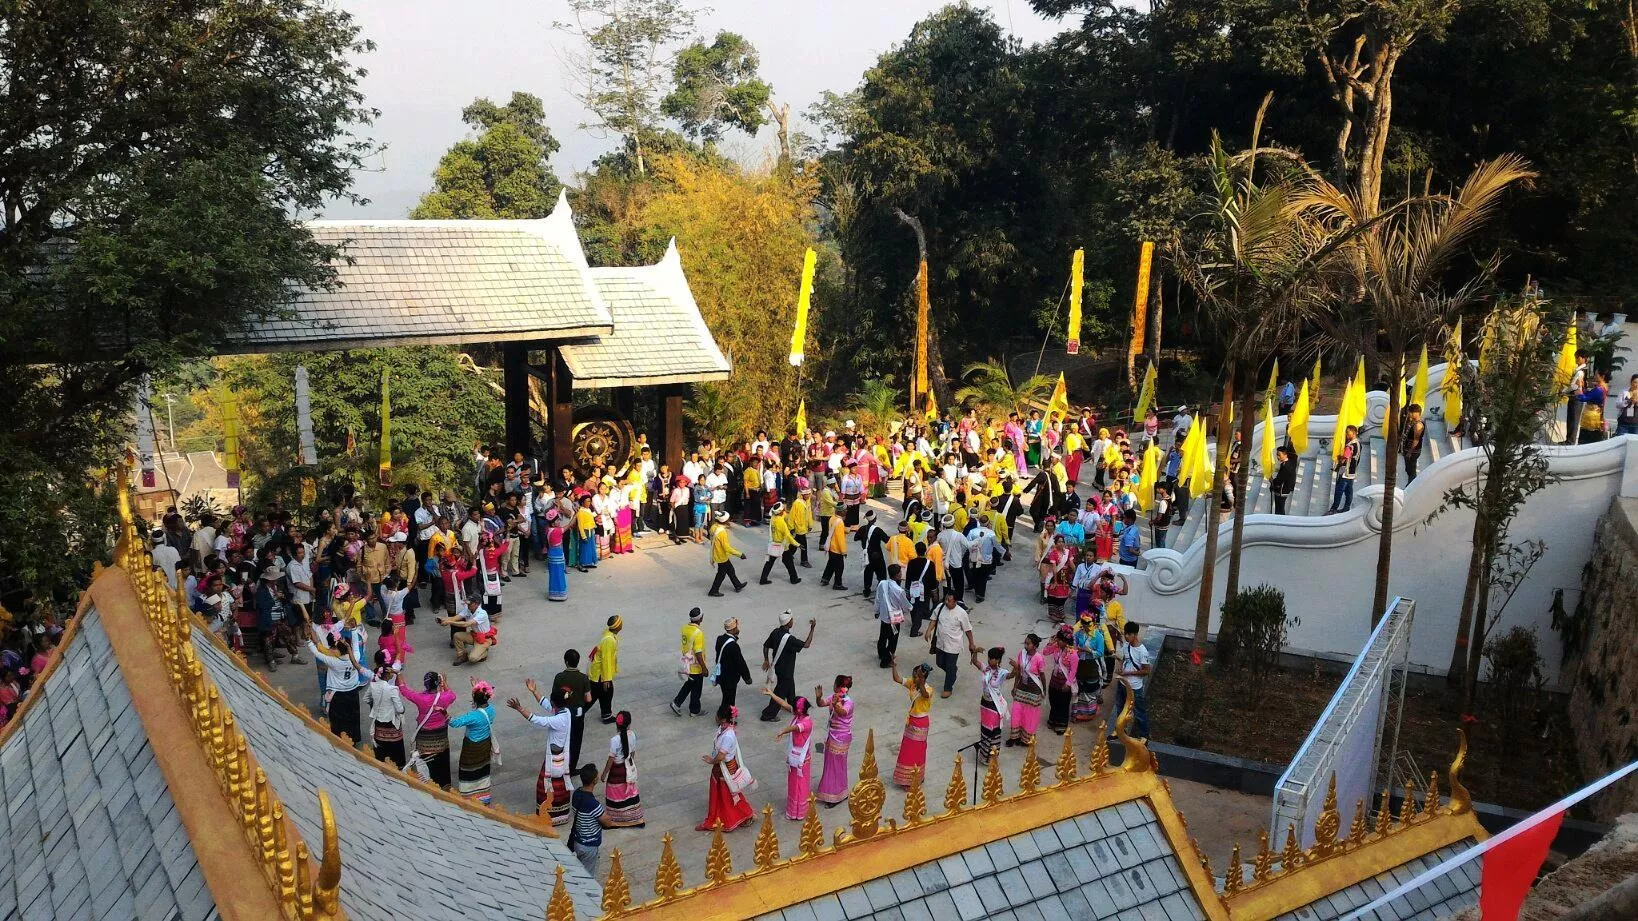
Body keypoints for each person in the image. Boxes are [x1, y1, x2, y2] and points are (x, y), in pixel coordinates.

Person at [509, 680, 573, 826]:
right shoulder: (566, 712)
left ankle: (549, 815)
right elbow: (547, 705)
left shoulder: (558, 719)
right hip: (561, 757)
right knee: (559, 786)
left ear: (554, 703)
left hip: (554, 760)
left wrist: (519, 708)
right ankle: (561, 814)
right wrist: (534, 691)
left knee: (545, 786)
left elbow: (535, 719)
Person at [697, 704, 757, 832]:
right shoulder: (723, 729)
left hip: (724, 769)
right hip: (723, 768)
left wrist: (711, 761)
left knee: (727, 795)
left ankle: (742, 815)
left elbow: (721, 756)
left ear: (722, 719)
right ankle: (744, 815)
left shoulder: (728, 735)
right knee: (728, 794)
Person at [305, 619, 363, 743]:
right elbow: (356, 645)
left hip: (338, 694)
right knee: (352, 716)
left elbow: (316, 652)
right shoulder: (356, 657)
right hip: (353, 692)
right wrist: (354, 629)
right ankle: (354, 738)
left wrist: (308, 640)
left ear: (337, 649)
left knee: (338, 719)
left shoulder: (333, 661)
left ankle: (339, 740)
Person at [761, 689, 814, 821]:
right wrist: (772, 694)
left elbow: (795, 728)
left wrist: (782, 731)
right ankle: (793, 811)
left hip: (801, 759)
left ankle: (799, 812)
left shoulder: (806, 723)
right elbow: (784, 704)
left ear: (799, 710)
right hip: (794, 756)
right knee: (793, 784)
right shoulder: (798, 716)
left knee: (800, 785)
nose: (792, 709)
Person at [399, 670, 456, 788]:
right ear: (437, 683)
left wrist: (398, 673)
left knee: (426, 760)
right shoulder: (444, 697)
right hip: (441, 735)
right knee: (442, 759)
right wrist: (444, 683)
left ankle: (427, 782)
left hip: (424, 735)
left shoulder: (420, 698)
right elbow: (452, 695)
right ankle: (444, 785)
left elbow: (404, 690)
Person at [448, 680, 498, 804]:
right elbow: (480, 701)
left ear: (475, 699)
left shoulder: (473, 716)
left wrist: (445, 714)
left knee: (468, 769)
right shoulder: (491, 710)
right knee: (483, 768)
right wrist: (476, 688)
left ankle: (469, 796)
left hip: (472, 748)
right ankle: (483, 795)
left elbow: (454, 723)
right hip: (485, 744)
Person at [760, 612, 815, 721]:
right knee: (780, 692)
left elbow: (766, 645)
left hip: (779, 667)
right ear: (788, 623)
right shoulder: (790, 639)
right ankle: (768, 714)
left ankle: (792, 703)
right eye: (791, 620)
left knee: (790, 685)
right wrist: (812, 628)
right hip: (786, 670)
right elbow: (806, 644)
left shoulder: (775, 632)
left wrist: (766, 659)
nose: (793, 621)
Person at [889, 659, 934, 788]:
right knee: (907, 749)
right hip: (911, 721)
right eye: (914, 676)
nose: (914, 678)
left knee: (917, 751)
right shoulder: (912, 684)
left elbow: (924, 695)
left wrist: (921, 681)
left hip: (921, 723)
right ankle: (907, 778)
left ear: (923, 677)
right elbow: (897, 678)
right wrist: (894, 666)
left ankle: (915, 778)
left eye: (917, 676)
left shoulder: (928, 689)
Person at [927, 590, 978, 699]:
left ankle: (948, 688)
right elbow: (934, 620)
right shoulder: (940, 607)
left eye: (949, 600)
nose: (946, 602)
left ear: (955, 601)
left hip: (953, 646)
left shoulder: (962, 613)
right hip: (940, 643)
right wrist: (928, 631)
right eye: (946, 599)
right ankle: (952, 672)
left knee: (950, 667)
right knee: (939, 663)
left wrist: (971, 643)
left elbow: (968, 630)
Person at [813, 675, 854, 807]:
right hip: (832, 734)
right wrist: (818, 697)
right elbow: (821, 704)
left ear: (838, 686)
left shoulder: (848, 702)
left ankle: (836, 796)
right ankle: (835, 791)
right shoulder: (834, 697)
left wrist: (836, 703)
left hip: (841, 737)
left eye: (835, 683)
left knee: (836, 765)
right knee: (830, 764)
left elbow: (842, 712)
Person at [552, 650, 594, 773]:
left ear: (566, 662)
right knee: (576, 741)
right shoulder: (583, 678)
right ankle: (571, 767)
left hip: (562, 713)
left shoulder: (559, 677)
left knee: (562, 740)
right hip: (577, 715)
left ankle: (559, 764)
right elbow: (589, 698)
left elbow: (553, 697)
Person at [567, 764, 612, 875]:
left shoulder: (577, 794)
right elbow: (607, 823)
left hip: (578, 840)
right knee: (588, 876)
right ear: (595, 780)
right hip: (589, 846)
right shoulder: (593, 804)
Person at [601, 711, 644, 827]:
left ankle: (616, 819)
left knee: (615, 793)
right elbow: (632, 753)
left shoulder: (615, 740)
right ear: (629, 724)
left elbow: (611, 759)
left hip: (616, 771)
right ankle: (633, 818)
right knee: (630, 793)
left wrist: (604, 774)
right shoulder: (632, 735)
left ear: (617, 724)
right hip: (627, 768)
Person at [1112, 621, 1153, 740]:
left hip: (1134, 687)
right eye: (1125, 634)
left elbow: (1146, 671)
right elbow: (1124, 659)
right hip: (1122, 683)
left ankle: (1144, 735)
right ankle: (1119, 730)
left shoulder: (1142, 651)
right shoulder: (1126, 646)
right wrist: (1120, 666)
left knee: (1139, 711)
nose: (1126, 636)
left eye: (1128, 634)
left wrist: (1128, 673)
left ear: (1135, 635)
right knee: (1120, 708)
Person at [362, 663, 406, 767]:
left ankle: (382, 766)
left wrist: (375, 707)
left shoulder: (373, 686)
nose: (392, 674)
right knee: (395, 749)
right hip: (392, 722)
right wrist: (403, 709)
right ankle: (398, 767)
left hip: (378, 721)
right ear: (386, 675)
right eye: (390, 672)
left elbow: (366, 699)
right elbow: (400, 709)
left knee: (381, 748)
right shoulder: (392, 689)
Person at [1007, 635, 1046, 748]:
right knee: (1016, 711)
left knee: (1030, 715)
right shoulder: (1022, 654)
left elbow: (1042, 675)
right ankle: (1014, 736)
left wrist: (1044, 690)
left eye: (1028, 644)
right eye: (1025, 643)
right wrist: (1015, 686)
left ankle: (1026, 739)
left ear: (1034, 646)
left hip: (1034, 689)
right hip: (1021, 687)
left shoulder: (1039, 658)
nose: (1025, 645)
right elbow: (1018, 672)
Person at [974, 646, 1009, 764]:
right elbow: (975, 662)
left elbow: (1011, 675)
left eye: (992, 658)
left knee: (993, 729)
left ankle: (992, 756)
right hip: (985, 703)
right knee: (985, 729)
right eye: (989, 658)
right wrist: (975, 652)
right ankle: (984, 755)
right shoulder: (986, 669)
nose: (989, 660)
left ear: (998, 660)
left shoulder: (1002, 672)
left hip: (994, 705)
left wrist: (1016, 668)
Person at [672, 607, 709, 717]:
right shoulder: (698, 633)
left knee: (689, 684)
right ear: (700, 618)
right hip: (695, 666)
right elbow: (698, 652)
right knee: (696, 689)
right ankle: (694, 710)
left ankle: (677, 703)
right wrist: (704, 667)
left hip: (687, 663)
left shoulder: (685, 628)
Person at [438, 596, 495, 665]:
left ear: (476, 604)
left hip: (484, 639)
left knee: (472, 658)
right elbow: (455, 618)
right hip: (474, 635)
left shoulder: (482, 613)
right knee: (457, 636)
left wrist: (449, 622)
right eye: (467, 604)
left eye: (470, 604)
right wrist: (444, 619)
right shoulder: (468, 609)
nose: (468, 605)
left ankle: (484, 653)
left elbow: (466, 624)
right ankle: (462, 655)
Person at [1072, 612, 1107, 723]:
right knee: (1079, 688)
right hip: (1080, 664)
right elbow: (1074, 646)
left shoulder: (1098, 636)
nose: (1085, 627)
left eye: (1088, 625)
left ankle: (1090, 712)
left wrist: (1089, 651)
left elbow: (1100, 652)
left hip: (1092, 665)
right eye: (1083, 625)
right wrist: (1076, 649)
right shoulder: (1078, 634)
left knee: (1090, 688)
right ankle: (1078, 712)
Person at [588, 615, 621, 724]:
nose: (622, 624)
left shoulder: (609, 634)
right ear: (617, 626)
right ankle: (575, 714)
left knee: (606, 693)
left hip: (599, 673)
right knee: (594, 695)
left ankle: (606, 715)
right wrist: (606, 679)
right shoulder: (609, 640)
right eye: (620, 622)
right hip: (600, 675)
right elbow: (606, 660)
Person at [714, 618, 753, 710]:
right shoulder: (733, 646)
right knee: (729, 700)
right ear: (734, 629)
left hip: (721, 674)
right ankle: (726, 716)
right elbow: (741, 663)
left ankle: (724, 714)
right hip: (730, 678)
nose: (738, 629)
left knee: (726, 697)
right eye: (737, 627)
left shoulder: (720, 639)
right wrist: (747, 678)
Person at [708, 512, 749, 597]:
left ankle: (737, 585)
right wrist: (740, 554)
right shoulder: (722, 532)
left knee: (730, 570)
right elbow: (727, 548)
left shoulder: (713, 527)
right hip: (721, 556)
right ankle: (713, 591)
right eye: (728, 519)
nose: (729, 520)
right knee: (721, 575)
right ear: (725, 521)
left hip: (717, 554)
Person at [761, 502, 801, 585]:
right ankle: (794, 579)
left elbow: (784, 515)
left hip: (773, 544)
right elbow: (788, 536)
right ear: (780, 512)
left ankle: (763, 579)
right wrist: (797, 544)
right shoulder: (781, 523)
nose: (784, 510)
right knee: (789, 562)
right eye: (783, 509)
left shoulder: (773, 517)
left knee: (769, 562)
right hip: (782, 545)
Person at [1327, 426, 1361, 514]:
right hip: (1352, 472)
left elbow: (1345, 458)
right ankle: (1346, 507)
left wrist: (1338, 463)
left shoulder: (1350, 446)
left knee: (1339, 490)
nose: (1346, 434)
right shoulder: (1358, 443)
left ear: (1353, 433)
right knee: (1349, 491)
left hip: (1345, 471)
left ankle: (1333, 509)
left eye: (1348, 432)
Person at [1577, 371, 1611, 443]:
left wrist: (1579, 389)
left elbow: (1583, 398)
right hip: (1595, 415)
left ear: (1602, 377)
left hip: (1592, 418)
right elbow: (1588, 393)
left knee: (1587, 441)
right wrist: (1583, 387)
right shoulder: (1602, 387)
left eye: (1596, 375)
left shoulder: (1599, 390)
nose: (1594, 376)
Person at [819, 511, 848, 591]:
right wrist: (844, 551)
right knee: (839, 567)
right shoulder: (840, 522)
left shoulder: (832, 518)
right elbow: (840, 539)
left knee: (831, 563)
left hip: (831, 546)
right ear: (841, 512)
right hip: (837, 549)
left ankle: (825, 579)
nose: (846, 512)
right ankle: (837, 584)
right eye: (845, 511)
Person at [545, 510, 569, 602]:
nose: (559, 522)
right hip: (557, 553)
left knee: (553, 574)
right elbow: (568, 526)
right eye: (558, 520)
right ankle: (560, 594)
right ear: (553, 523)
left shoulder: (548, 529)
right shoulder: (557, 531)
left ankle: (553, 593)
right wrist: (575, 516)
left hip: (551, 553)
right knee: (559, 574)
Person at [1400, 403, 1427, 481]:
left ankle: (1411, 484)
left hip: (1413, 451)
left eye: (1411, 412)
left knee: (1411, 470)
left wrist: (1410, 452)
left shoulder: (1418, 425)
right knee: (1408, 469)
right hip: (1407, 448)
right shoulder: (1413, 421)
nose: (1409, 414)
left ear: (1416, 413)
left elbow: (1416, 440)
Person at [1272, 445, 1298, 514]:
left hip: (1282, 490)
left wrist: (1273, 482)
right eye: (1277, 455)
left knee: (1279, 509)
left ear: (1285, 455)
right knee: (1279, 508)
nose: (1277, 457)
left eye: (1279, 455)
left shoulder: (1286, 467)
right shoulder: (1288, 463)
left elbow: (1279, 480)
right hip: (1284, 489)